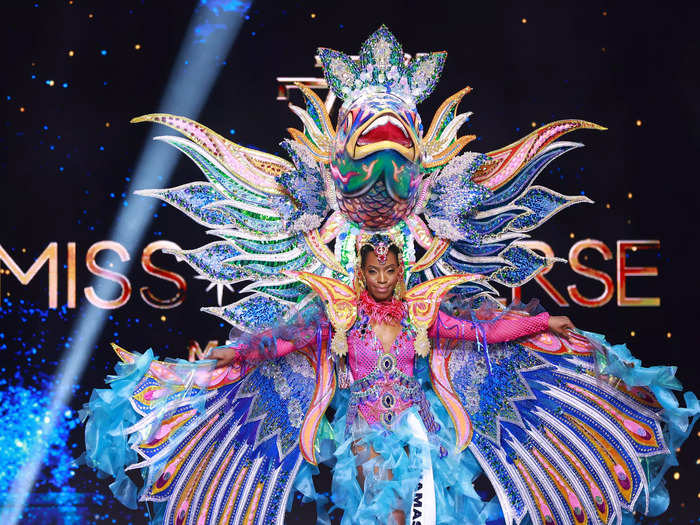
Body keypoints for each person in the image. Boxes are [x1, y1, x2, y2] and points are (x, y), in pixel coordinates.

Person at [82, 25, 699, 525]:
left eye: (389, 264)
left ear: (403, 263)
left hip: (422, 433)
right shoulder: (335, 312)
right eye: (373, 263)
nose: (381, 270)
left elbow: (481, 333)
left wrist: (544, 321)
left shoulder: (423, 309)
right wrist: (231, 360)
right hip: (365, 439)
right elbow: (284, 342)